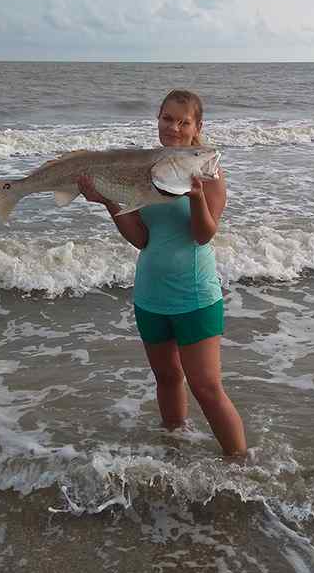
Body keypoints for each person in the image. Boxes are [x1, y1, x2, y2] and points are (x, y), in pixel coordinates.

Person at [77, 89, 247, 460]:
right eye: (167, 118)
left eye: (183, 121)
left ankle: (241, 467)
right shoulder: (149, 169)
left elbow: (203, 235)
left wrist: (196, 196)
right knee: (168, 379)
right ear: (158, 119)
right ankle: (176, 450)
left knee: (206, 387)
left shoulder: (208, 171)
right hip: (150, 296)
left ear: (197, 127)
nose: (173, 127)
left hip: (195, 296)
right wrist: (109, 201)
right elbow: (141, 239)